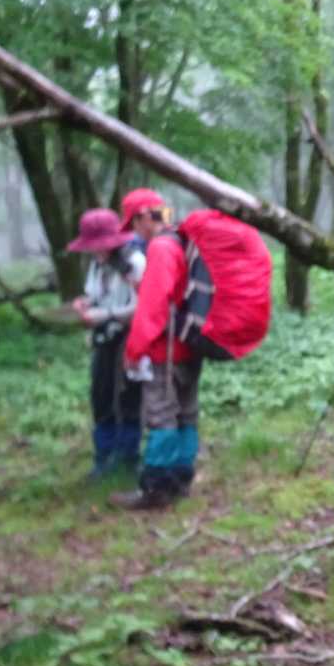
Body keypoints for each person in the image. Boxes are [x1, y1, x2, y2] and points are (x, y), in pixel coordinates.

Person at [110, 189, 201, 510]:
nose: (135, 232)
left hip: (167, 350)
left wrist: (134, 350)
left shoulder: (161, 247)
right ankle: (182, 478)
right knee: (186, 412)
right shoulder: (182, 240)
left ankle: (156, 488)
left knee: (161, 415)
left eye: (134, 224)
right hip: (192, 343)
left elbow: (153, 306)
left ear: (144, 217)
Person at [67, 208, 145, 481]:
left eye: (100, 245)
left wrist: (107, 314)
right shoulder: (97, 264)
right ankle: (104, 456)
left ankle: (127, 457)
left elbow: (141, 307)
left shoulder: (135, 263)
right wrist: (84, 303)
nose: (96, 251)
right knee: (101, 394)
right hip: (103, 337)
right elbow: (94, 294)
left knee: (128, 396)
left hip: (130, 336)